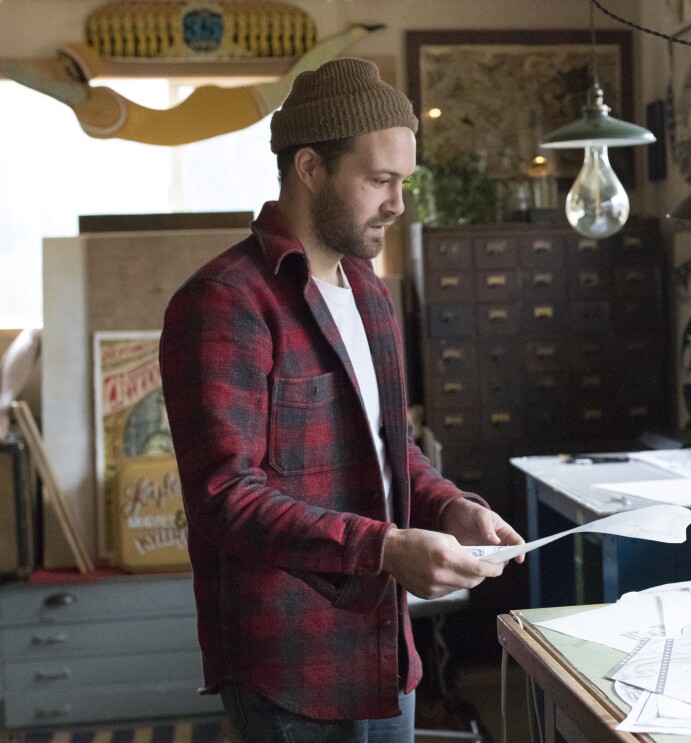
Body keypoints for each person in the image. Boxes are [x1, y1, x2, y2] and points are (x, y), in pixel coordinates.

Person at [160, 57, 524, 742]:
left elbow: (391, 449)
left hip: (386, 650)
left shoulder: (368, 292)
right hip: (290, 664)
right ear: (309, 168)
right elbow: (223, 497)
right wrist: (385, 547)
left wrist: (449, 506)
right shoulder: (224, 301)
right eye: (380, 180)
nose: (398, 203)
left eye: (403, 181)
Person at [0, 26, 372, 146]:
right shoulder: (96, 103)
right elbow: (309, 66)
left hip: (230, 111)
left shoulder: (96, 103)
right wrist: (351, 37)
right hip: (237, 110)